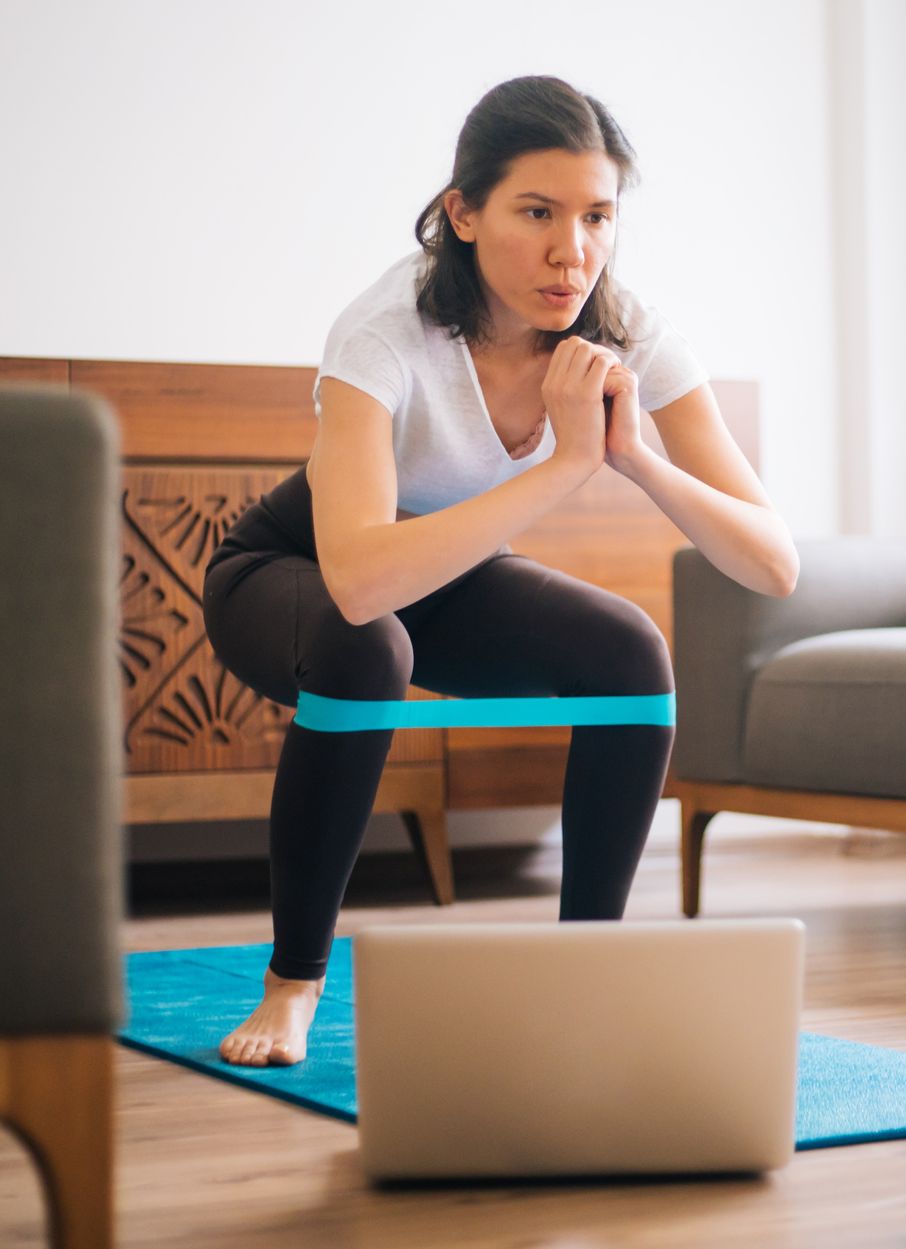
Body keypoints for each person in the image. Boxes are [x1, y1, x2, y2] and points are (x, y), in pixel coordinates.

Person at [202, 75, 799, 1068]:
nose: (573, 250)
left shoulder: (627, 328)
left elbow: (770, 562)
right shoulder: (383, 332)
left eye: (597, 216)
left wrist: (637, 458)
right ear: (463, 213)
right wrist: (567, 464)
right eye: (537, 212)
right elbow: (354, 579)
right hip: (290, 570)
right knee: (366, 647)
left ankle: (581, 975)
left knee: (628, 651)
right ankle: (294, 981)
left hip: (440, 568)